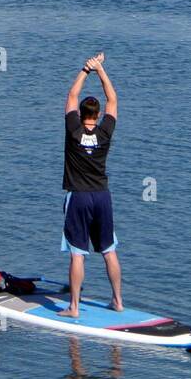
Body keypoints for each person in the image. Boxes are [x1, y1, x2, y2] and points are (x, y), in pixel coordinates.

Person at [60, 53, 122, 318]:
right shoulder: (105, 132)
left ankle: (74, 307)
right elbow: (113, 100)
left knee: (77, 254)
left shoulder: (73, 130)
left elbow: (72, 95)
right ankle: (118, 301)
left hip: (79, 197)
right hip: (102, 197)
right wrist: (100, 70)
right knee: (108, 251)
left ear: (82, 114)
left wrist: (85, 69)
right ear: (96, 116)